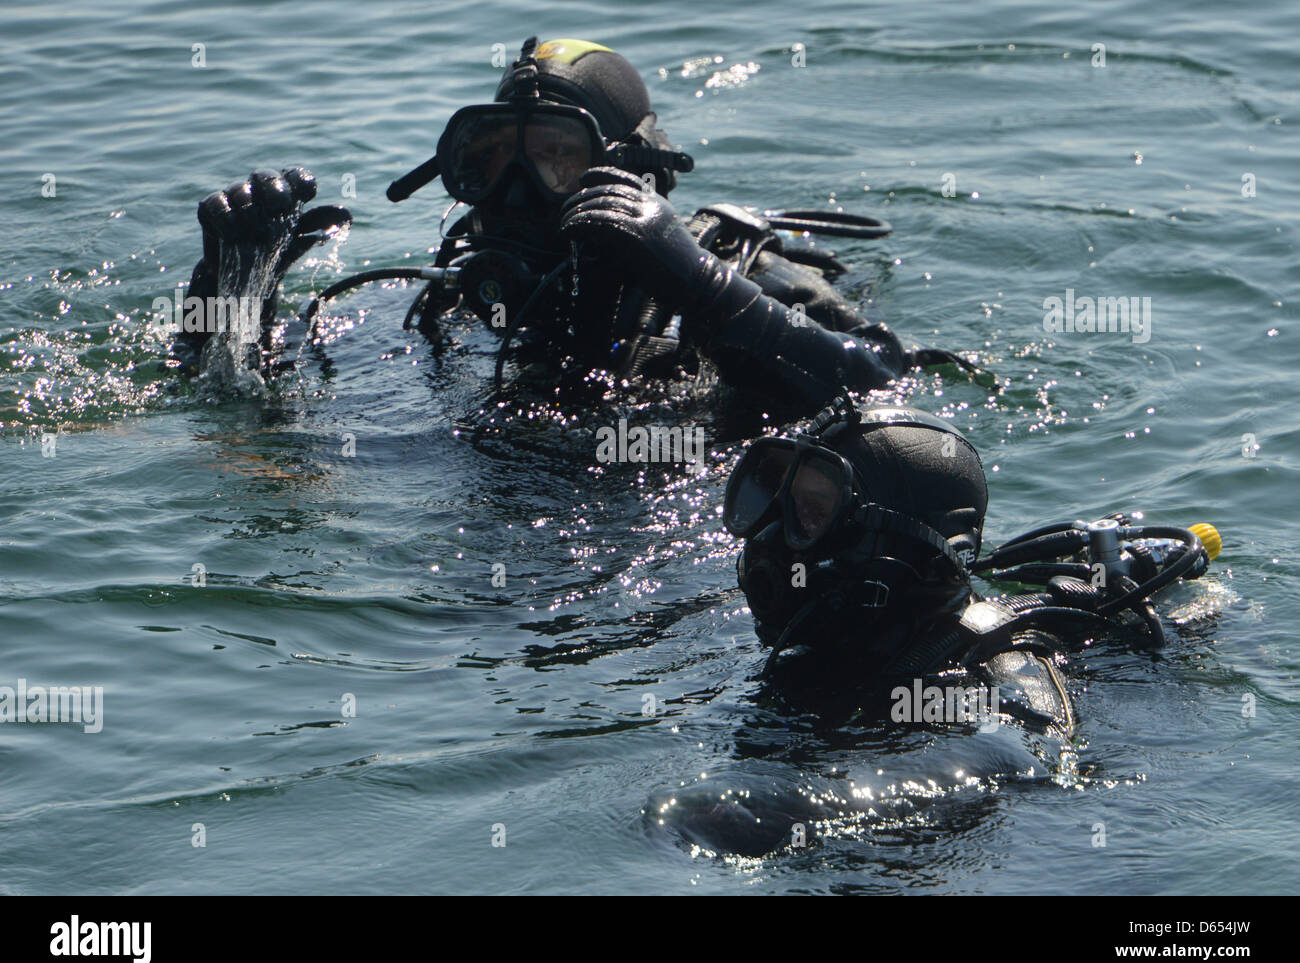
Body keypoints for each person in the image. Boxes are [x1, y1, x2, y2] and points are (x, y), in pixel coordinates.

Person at [171, 37, 968, 415]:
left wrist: (702, 286)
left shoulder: (735, 279)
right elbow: (249, 418)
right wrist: (231, 305)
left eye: (556, 160)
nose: (515, 191)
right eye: (488, 160)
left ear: (633, 173)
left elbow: (891, 390)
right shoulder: (442, 308)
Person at [721, 393, 1220, 733]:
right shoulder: (832, 647)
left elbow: (1015, 762)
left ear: (895, 554)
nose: (769, 540)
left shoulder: (994, 682)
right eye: (775, 502)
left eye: (810, 515)